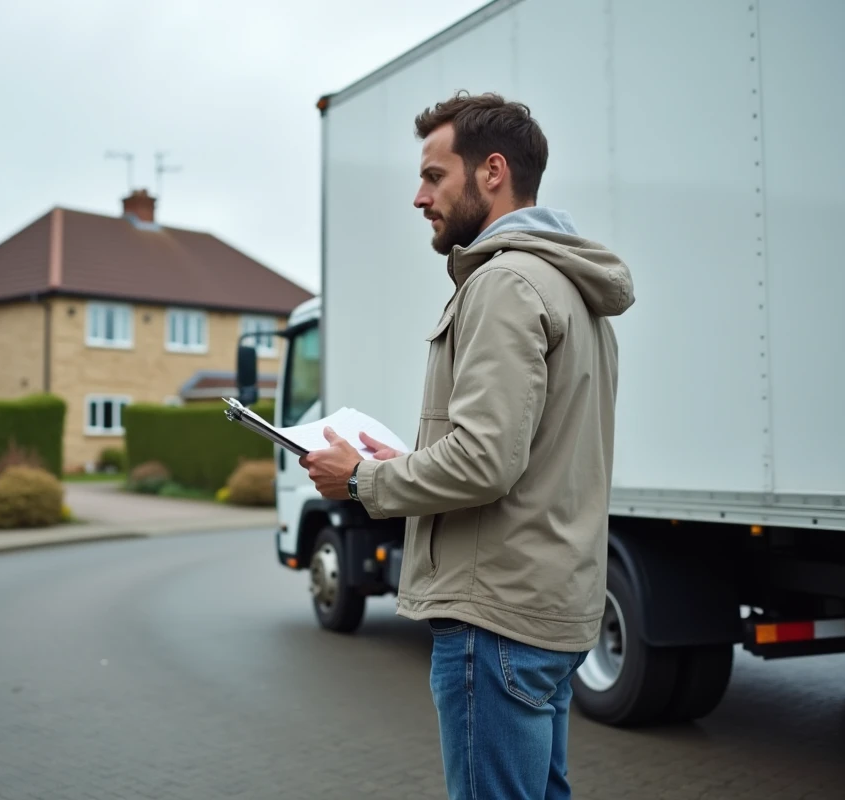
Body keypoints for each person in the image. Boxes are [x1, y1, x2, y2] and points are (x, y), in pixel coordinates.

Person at [300, 90, 635, 799]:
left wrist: (362, 479)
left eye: (432, 175)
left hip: (496, 618)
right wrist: (407, 466)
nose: (419, 197)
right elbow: (524, 450)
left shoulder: (504, 283)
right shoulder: (566, 285)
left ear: (491, 172)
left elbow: (485, 460)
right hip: (545, 607)